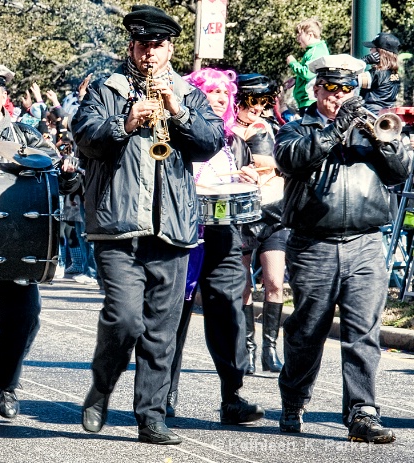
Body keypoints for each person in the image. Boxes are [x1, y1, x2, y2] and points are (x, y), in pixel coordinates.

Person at [71, 5, 224, 444]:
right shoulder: (107, 88)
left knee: (161, 330)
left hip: (172, 227)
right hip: (118, 225)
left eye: (158, 46)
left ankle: (151, 416)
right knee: (124, 320)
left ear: (170, 48)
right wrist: (125, 122)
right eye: (143, 45)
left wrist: (179, 113)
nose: (150, 54)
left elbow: (211, 142)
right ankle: (101, 389)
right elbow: (84, 136)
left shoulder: (187, 92)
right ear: (131, 46)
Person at [274, 53, 410, 443]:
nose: (339, 97)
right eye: (331, 89)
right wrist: (334, 131)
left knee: (363, 332)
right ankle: (294, 397)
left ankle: (362, 412)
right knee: (307, 332)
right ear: (317, 89)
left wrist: (379, 140)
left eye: (347, 89)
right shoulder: (297, 128)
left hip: (366, 243)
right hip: (313, 244)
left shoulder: (372, 128)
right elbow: (291, 159)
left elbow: (400, 170)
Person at [0, 61, 81, 428]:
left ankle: (6, 384)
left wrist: (69, 176)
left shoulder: (27, 136)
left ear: (4, 97)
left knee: (23, 321)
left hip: (22, 245)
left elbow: (55, 182)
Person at [165, 68, 265, 425]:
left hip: (223, 234)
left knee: (227, 308)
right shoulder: (177, 133)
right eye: (212, 91)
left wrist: (247, 176)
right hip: (182, 233)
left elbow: (242, 182)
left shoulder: (235, 141)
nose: (221, 97)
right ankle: (164, 395)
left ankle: (232, 396)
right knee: (174, 312)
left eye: (225, 92)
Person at [232, 74, 288, 375]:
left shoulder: (273, 126)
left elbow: (283, 161)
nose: (258, 108)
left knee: (275, 282)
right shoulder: (226, 130)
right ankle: (248, 349)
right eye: (252, 101)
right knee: (242, 287)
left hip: (273, 212)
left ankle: (269, 349)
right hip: (241, 215)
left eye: (264, 102)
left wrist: (274, 164)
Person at [286, 18, 330, 113]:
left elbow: (308, 73)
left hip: (310, 101)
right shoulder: (314, 50)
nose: (297, 39)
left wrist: (293, 63)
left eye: (299, 35)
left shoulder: (316, 51)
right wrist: (296, 79)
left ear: (310, 35)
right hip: (308, 101)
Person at [359, 32, 401, 115]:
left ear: (379, 53)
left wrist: (363, 61)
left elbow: (349, 80)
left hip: (371, 115)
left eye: (373, 48)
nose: (370, 50)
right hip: (388, 114)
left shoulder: (376, 73)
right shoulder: (395, 73)